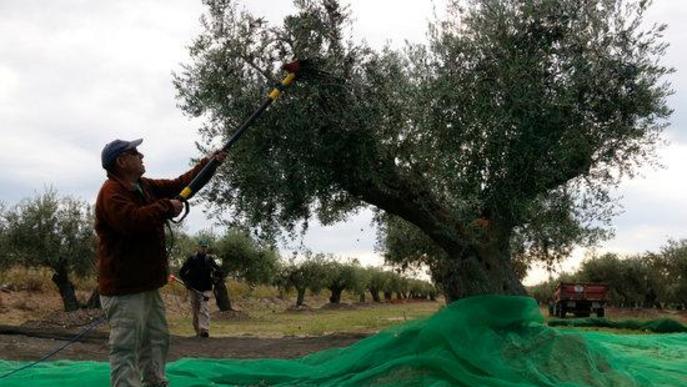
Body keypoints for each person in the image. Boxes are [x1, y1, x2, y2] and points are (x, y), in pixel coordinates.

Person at [95, 138, 225, 387]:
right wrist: (167, 206)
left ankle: (155, 383)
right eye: (135, 152)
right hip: (124, 290)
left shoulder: (143, 186)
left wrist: (209, 164)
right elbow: (131, 221)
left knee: (156, 339)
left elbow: (180, 184)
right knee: (126, 347)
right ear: (122, 161)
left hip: (147, 286)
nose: (141, 155)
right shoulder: (111, 192)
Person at [178, 240, 223, 338]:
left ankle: (204, 330)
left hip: (206, 288)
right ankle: (197, 330)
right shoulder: (192, 259)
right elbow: (182, 272)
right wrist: (187, 283)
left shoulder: (209, 259)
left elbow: (218, 271)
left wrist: (217, 277)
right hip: (193, 288)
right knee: (196, 310)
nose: (203, 249)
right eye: (202, 247)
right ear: (198, 247)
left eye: (205, 247)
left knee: (204, 308)